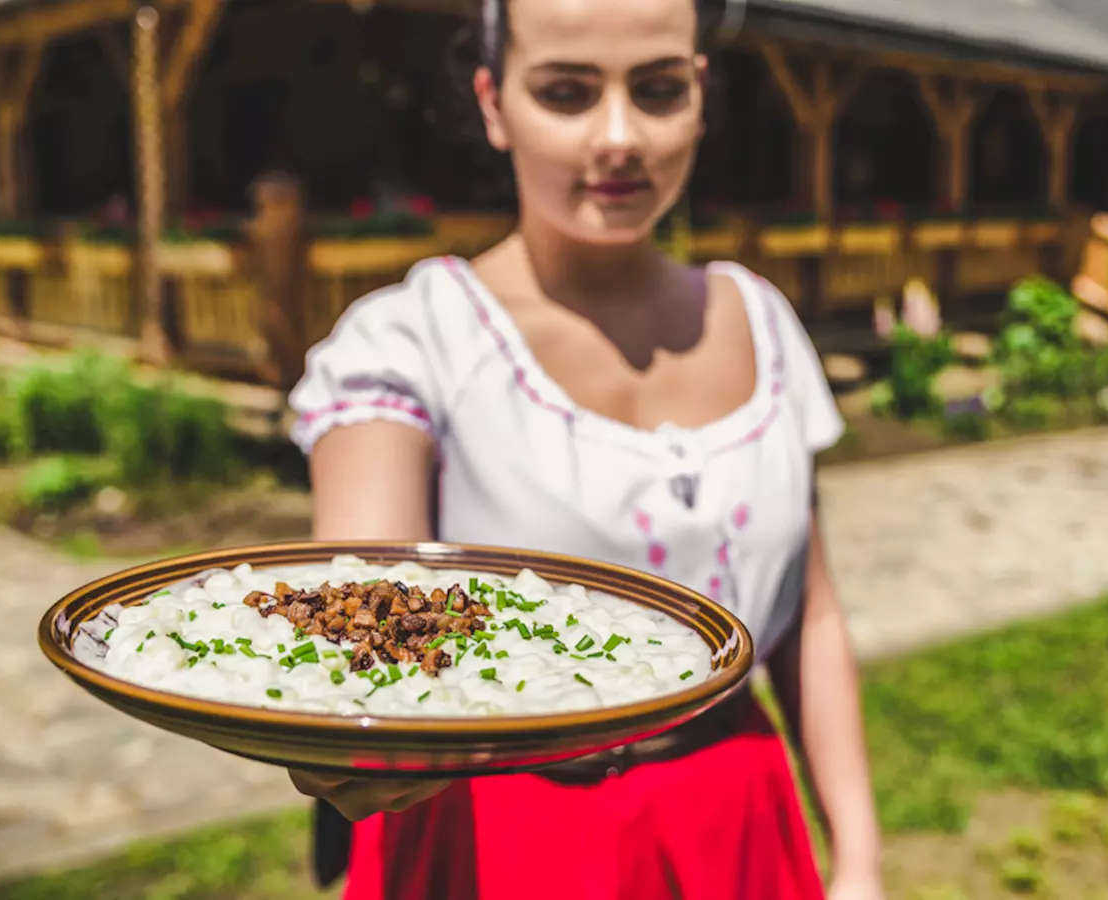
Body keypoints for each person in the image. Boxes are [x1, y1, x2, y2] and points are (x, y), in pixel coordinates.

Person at [284, 0, 885, 897]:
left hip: (733, 812)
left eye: (657, 90)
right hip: (500, 837)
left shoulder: (761, 321)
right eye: (566, 92)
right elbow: (366, 605)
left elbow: (811, 620)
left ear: (700, 94)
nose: (620, 138)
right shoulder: (414, 342)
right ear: (494, 105)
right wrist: (358, 720)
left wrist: (861, 860)